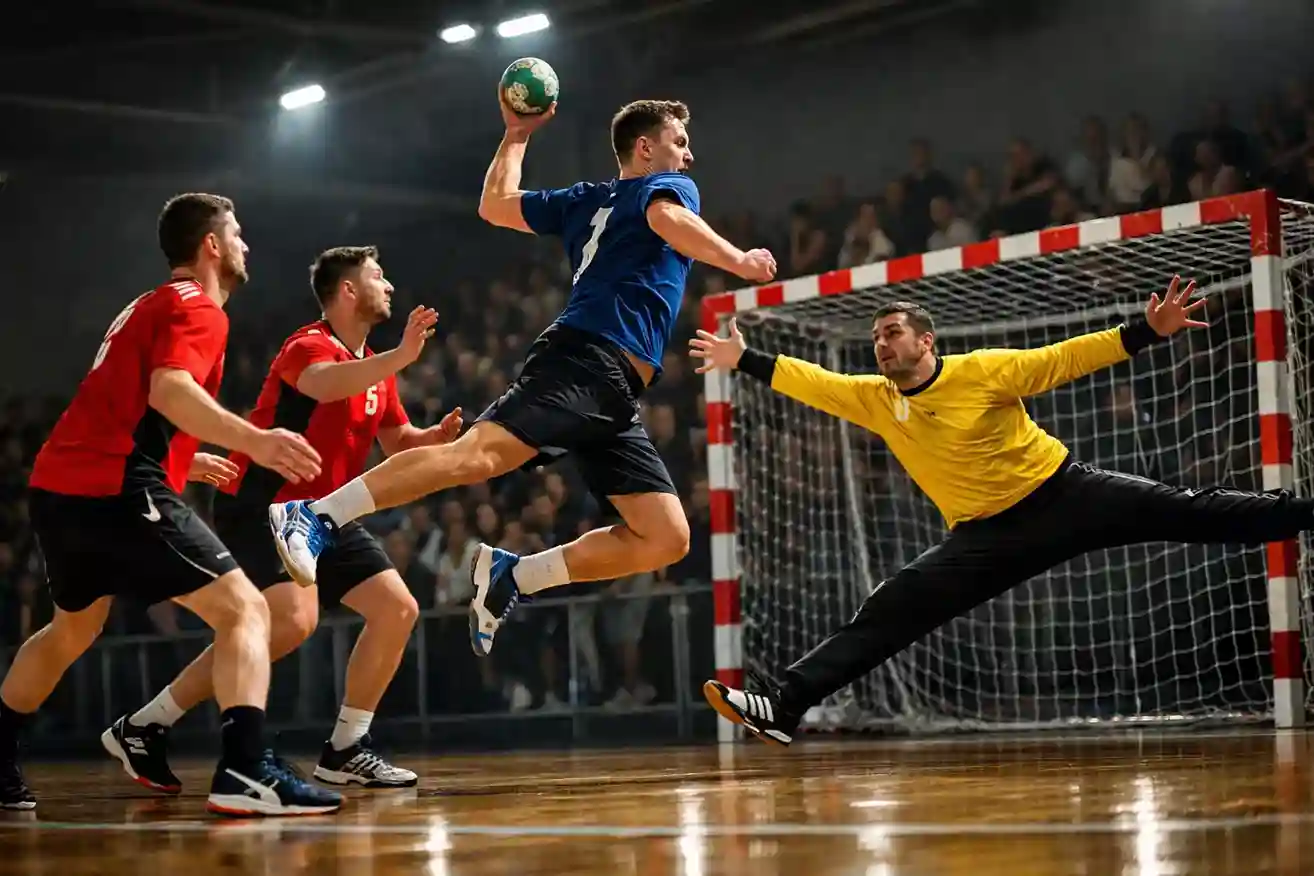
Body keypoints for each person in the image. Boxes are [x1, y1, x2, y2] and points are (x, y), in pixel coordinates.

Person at [692, 276, 1314, 746]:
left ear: (925, 341)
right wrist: (743, 359)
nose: (881, 344)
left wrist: (1147, 331)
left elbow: (1064, 357)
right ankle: (783, 705)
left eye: (892, 333)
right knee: (890, 607)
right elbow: (813, 381)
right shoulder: (876, 398)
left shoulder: (983, 371)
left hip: (1063, 493)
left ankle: (1302, 513)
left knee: (1186, 511)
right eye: (876, 336)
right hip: (985, 537)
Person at [270, 95, 777, 658]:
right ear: (645, 148)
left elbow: (496, 204)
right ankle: (316, 514)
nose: (687, 155)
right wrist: (739, 261)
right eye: (678, 143)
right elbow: (668, 219)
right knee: (477, 457)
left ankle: (516, 576)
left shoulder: (585, 200)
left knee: (665, 537)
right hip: (587, 360)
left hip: (612, 390)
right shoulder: (669, 190)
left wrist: (516, 134)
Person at [0, 193, 340, 816]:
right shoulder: (201, 308)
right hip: (115, 484)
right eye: (236, 233)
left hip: (60, 486)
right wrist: (254, 440)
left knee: (71, 629)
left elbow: (132, 403)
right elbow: (169, 389)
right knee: (245, 610)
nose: (245, 245)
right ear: (210, 245)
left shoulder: (148, 305)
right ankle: (245, 769)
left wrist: (184, 461)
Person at [101, 246, 461, 794]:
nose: (388, 284)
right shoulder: (308, 344)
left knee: (397, 609)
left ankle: (346, 748)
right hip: (265, 503)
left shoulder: (375, 372)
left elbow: (396, 441)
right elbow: (321, 385)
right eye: (377, 276)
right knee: (292, 620)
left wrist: (431, 439)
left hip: (325, 513)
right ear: (347, 291)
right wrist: (401, 356)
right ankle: (150, 722)